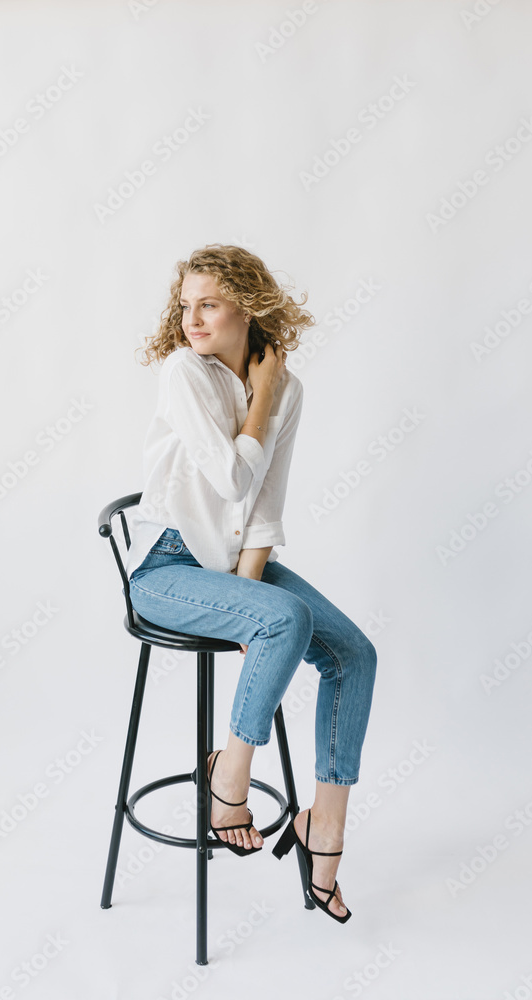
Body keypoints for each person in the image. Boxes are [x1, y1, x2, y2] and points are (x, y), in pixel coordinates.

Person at [126, 244, 377, 922]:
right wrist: (261, 399)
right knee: (283, 621)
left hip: (227, 566)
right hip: (168, 568)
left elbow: (264, 506)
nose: (192, 319)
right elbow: (230, 479)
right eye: (185, 306)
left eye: (208, 304)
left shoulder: (287, 388)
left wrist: (252, 597)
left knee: (355, 653)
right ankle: (227, 779)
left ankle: (322, 830)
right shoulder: (185, 372)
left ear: (248, 306)